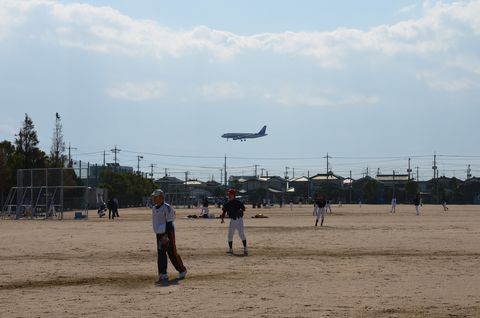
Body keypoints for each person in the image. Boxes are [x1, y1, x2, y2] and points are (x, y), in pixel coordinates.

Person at [151, 189, 187, 284]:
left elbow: (169, 222)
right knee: (161, 253)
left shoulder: (167, 207)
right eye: (153, 197)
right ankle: (163, 273)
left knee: (172, 252)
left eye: (156, 197)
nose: (154, 199)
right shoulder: (154, 208)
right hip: (159, 233)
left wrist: (166, 235)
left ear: (161, 198)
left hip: (167, 232)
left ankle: (182, 270)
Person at [220, 188, 248, 256]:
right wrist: (222, 219)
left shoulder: (238, 202)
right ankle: (230, 249)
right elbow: (223, 212)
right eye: (229, 194)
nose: (229, 196)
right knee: (230, 235)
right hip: (232, 221)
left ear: (234, 195)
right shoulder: (227, 204)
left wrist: (240, 211)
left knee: (241, 234)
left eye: (231, 194)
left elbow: (243, 209)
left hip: (239, 220)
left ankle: (245, 248)